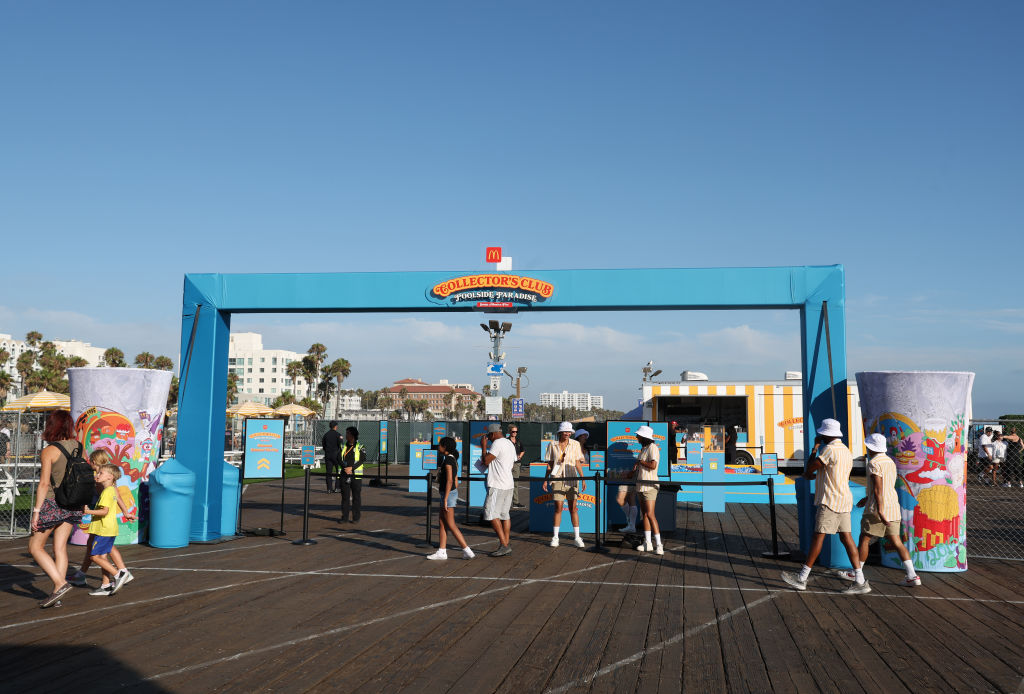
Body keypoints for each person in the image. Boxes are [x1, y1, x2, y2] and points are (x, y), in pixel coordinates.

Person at [781, 418, 870, 594]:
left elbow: (810, 467)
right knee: (847, 538)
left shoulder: (829, 450)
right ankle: (859, 579)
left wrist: (814, 449)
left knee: (818, 538)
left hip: (830, 501)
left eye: (822, 434)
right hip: (845, 500)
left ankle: (802, 578)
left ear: (826, 435)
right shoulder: (845, 450)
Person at [837, 434, 921, 587]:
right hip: (893, 506)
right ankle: (912, 575)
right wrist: (868, 497)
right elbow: (884, 486)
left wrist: (880, 511)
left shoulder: (874, 463)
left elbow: (878, 489)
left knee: (865, 539)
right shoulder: (890, 462)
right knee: (896, 541)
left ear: (871, 447)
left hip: (876, 508)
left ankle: (856, 571)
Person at [28, 411, 85, 608]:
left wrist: (36, 511)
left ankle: (60, 584)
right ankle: (57, 594)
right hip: (73, 504)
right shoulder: (79, 447)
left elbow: (44, 484)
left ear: (51, 426)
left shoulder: (50, 451)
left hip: (53, 503)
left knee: (35, 547)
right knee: (60, 548)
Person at [66, 449, 136, 590]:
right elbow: (118, 497)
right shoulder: (104, 477)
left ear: (93, 462)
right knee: (95, 548)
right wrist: (125, 512)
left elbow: (112, 499)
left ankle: (120, 573)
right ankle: (87, 575)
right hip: (100, 519)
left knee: (102, 551)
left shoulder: (101, 481)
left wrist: (86, 509)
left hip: (102, 519)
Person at [81, 463, 125, 596]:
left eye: (101, 473)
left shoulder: (107, 492)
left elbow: (104, 512)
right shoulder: (111, 490)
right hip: (108, 529)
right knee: (102, 557)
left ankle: (118, 575)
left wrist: (88, 511)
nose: (97, 475)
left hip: (104, 530)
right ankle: (105, 586)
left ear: (110, 477)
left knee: (94, 557)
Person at [426, 436, 474, 560]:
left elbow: (450, 480)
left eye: (440, 444)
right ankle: (442, 551)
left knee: (451, 524)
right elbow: (456, 480)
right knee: (442, 522)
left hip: (447, 495)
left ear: (445, 447)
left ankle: (467, 550)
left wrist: (447, 498)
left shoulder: (448, 460)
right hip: (449, 493)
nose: (438, 446)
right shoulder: (453, 459)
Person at [541, 422, 587, 549]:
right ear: (560, 432)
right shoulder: (552, 444)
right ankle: (555, 537)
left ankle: (577, 537)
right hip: (557, 477)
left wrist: (583, 479)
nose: (567, 434)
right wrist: (545, 480)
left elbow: (578, 462)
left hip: (572, 476)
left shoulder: (576, 444)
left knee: (573, 508)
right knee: (558, 508)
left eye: (569, 432)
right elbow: (550, 464)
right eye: (565, 431)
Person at [480, 422, 516, 556]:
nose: (488, 438)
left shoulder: (497, 443)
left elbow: (485, 461)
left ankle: (504, 544)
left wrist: (484, 447)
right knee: (504, 515)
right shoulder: (509, 443)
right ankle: (506, 543)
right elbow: (512, 464)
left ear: (493, 433)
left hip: (497, 484)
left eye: (489, 436)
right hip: (508, 483)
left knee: (490, 513)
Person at [633, 425, 663, 555]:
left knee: (650, 514)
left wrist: (639, 462)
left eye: (638, 435)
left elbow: (653, 465)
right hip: (641, 486)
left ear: (644, 437)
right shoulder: (644, 448)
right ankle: (648, 543)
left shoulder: (653, 448)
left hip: (650, 486)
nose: (636, 437)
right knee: (644, 514)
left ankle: (659, 545)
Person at [339, 426, 364, 524]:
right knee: (345, 497)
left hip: (356, 476)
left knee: (356, 497)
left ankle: (356, 518)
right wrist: (345, 468)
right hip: (344, 475)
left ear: (353, 435)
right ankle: (344, 517)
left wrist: (352, 468)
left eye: (348, 433)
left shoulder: (360, 446)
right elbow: (338, 458)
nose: (346, 435)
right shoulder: (342, 446)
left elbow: (362, 459)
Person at [321, 421, 342, 493]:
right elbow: (341, 445)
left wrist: (327, 451)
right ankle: (337, 487)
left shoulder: (326, 435)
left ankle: (329, 489)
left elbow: (323, 445)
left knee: (329, 472)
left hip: (328, 455)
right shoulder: (338, 435)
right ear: (335, 426)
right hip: (336, 455)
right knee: (338, 471)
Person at [508, 425, 526, 509]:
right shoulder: (506, 441)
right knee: (505, 482)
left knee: (515, 483)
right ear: (509, 432)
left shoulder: (518, 441)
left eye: (516, 432)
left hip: (516, 464)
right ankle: (505, 502)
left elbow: (523, 450)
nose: (514, 433)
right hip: (507, 464)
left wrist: (520, 456)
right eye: (513, 431)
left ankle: (515, 502)